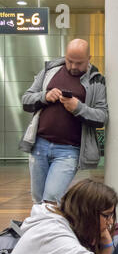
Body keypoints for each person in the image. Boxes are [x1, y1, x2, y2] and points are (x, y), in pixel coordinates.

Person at [19, 39, 108, 205]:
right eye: (69, 61)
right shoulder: (50, 71)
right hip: (39, 145)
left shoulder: (97, 80)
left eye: (79, 63)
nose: (73, 67)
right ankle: (43, 231)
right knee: (38, 200)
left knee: (51, 200)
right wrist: (44, 96)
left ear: (89, 58)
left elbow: (102, 117)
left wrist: (78, 107)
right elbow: (26, 100)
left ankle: (51, 229)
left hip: (69, 151)